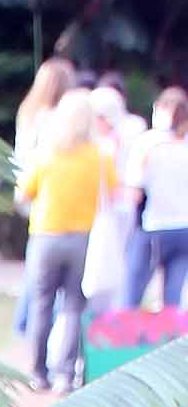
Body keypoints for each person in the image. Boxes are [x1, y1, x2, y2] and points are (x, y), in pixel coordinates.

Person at [15, 91, 113, 391]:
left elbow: (23, 193)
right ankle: (65, 374)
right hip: (83, 238)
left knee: (42, 303)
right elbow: (113, 191)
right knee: (73, 305)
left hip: (46, 235)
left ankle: (37, 372)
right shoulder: (98, 156)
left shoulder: (47, 153)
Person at [12, 59, 75, 335]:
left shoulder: (28, 114)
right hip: (56, 195)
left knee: (37, 263)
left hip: (32, 193)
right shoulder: (62, 119)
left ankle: (26, 323)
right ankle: (38, 325)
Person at [83, 85, 142, 316]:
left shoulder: (122, 137)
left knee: (113, 269)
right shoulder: (99, 142)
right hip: (104, 211)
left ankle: (109, 319)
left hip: (115, 210)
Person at [129, 87, 188, 308]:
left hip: (155, 226)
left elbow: (134, 189)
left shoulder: (148, 143)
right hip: (184, 228)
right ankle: (170, 339)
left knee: (134, 291)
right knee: (172, 298)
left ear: (161, 110)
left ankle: (128, 337)